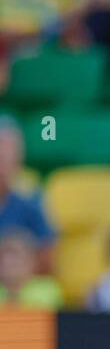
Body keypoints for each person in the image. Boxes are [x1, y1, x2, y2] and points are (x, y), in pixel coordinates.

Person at [0, 118, 55, 275]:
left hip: (21, 284)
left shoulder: (30, 198)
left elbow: (48, 258)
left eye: (6, 154)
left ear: (18, 160)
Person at [0, 231, 61, 309]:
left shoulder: (48, 289)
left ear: (31, 261)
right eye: (4, 257)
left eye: (16, 256)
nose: (9, 261)